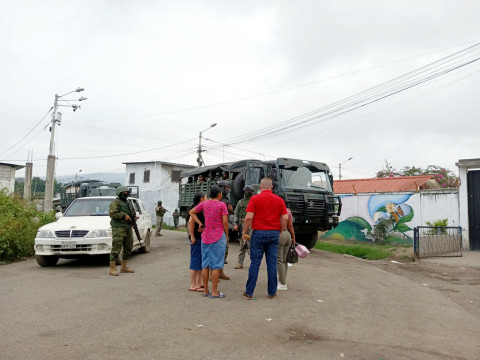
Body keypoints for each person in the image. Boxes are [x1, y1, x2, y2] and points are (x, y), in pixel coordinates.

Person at [242, 178, 288, 300]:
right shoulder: (279, 200)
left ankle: (249, 293)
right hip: (274, 233)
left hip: (258, 233)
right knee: (272, 264)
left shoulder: (254, 199)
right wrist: (280, 230)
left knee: (255, 263)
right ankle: (272, 292)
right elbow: (285, 218)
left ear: (260, 187)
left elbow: (248, 218)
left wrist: (244, 231)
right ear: (271, 187)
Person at [189, 185, 229, 299]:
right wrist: (226, 235)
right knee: (215, 266)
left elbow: (192, 212)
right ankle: (215, 292)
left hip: (205, 236)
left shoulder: (204, 204)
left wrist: (200, 223)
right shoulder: (222, 205)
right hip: (218, 236)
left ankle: (206, 290)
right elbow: (225, 222)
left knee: (205, 265)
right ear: (219, 194)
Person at [108, 186, 136, 276]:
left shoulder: (128, 203)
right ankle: (112, 268)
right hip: (118, 227)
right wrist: (123, 215)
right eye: (124, 192)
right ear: (120, 193)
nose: (126, 194)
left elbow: (132, 213)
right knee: (116, 247)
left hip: (128, 227)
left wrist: (133, 219)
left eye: (127, 192)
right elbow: (112, 214)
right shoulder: (115, 203)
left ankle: (124, 266)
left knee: (128, 246)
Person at [186, 192, 207, 292]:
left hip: (200, 238)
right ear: (201, 199)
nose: (207, 199)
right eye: (206, 197)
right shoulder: (196, 209)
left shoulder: (199, 208)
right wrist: (192, 236)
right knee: (195, 261)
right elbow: (191, 222)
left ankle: (199, 283)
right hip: (196, 238)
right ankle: (193, 284)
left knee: (199, 261)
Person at [233, 185, 255, 269]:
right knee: (242, 244)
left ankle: (254, 263)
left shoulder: (254, 201)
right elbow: (236, 213)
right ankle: (240, 262)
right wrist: (235, 223)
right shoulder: (240, 202)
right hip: (242, 225)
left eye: (250, 192)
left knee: (252, 244)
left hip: (252, 226)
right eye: (247, 191)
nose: (248, 193)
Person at [277, 208, 295, 291]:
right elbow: (290, 225)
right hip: (288, 235)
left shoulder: (277, 210)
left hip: (280, 235)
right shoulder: (288, 211)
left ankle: (282, 283)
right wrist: (293, 237)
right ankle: (283, 281)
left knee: (279, 260)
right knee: (284, 261)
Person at [217, 179, 231, 279]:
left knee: (223, 252)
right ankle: (214, 274)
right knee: (217, 252)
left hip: (222, 229)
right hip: (219, 229)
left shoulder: (225, 200)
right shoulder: (219, 202)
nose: (228, 190)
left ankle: (220, 272)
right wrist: (226, 234)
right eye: (227, 188)